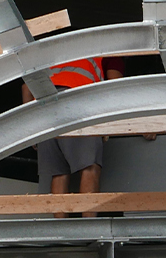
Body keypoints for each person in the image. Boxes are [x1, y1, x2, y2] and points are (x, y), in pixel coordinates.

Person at [25, 56, 126, 205]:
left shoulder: (53, 53)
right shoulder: (105, 52)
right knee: (90, 167)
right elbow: (115, 88)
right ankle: (88, 226)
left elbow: (26, 87)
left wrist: (31, 127)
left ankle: (60, 227)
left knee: (58, 172)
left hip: (45, 107)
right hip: (80, 101)